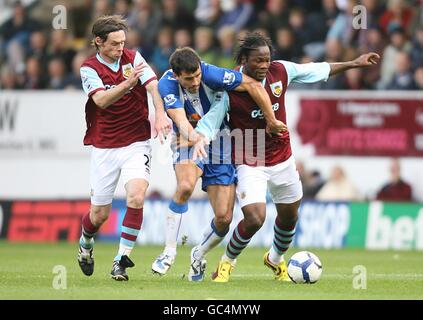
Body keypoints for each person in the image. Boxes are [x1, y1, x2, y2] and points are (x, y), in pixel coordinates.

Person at [193, 32, 379, 282]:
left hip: (283, 157)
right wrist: (197, 137)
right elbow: (213, 118)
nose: (264, 65)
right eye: (258, 61)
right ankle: (227, 262)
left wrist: (354, 63)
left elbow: (316, 69)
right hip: (250, 160)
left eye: (267, 59)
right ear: (245, 59)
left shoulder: (281, 71)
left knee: (290, 215)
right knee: (255, 217)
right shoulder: (230, 87)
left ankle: (276, 258)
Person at [151, 47, 286, 281]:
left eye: (196, 76)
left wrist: (271, 119)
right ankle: (168, 252)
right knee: (185, 186)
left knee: (224, 219)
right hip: (187, 140)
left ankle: (198, 253)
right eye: (188, 78)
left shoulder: (211, 74)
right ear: (176, 75)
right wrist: (195, 138)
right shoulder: (167, 85)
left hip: (221, 142)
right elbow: (179, 118)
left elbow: (253, 84)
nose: (194, 81)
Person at [77, 15, 171, 281]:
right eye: (115, 44)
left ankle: (121, 260)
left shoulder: (134, 58)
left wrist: (160, 114)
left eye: (123, 43)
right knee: (99, 215)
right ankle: (85, 245)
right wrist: (128, 84)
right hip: (105, 146)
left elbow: (153, 87)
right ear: (99, 42)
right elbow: (102, 101)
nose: (121, 48)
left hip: (136, 141)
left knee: (136, 197)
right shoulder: (89, 68)